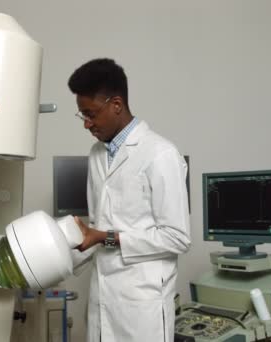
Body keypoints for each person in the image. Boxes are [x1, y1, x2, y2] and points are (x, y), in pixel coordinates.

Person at [68, 58, 191, 342]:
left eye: (91, 114)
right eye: (82, 115)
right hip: (102, 299)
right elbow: (99, 226)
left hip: (141, 307)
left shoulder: (160, 154)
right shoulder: (97, 154)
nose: (86, 124)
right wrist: (59, 252)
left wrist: (103, 237)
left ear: (116, 105)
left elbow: (177, 237)